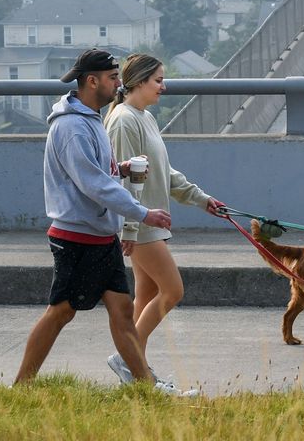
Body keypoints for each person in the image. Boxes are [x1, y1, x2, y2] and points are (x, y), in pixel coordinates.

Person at [14, 48, 190, 396]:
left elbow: (99, 174)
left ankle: (146, 388)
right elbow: (93, 184)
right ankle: (20, 386)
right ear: (91, 81)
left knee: (124, 315)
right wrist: (141, 213)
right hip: (77, 237)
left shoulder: (91, 119)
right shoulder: (72, 127)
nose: (118, 83)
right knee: (61, 312)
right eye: (112, 78)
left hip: (99, 235)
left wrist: (120, 169)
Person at [103, 53, 223, 385]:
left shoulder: (145, 117)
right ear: (138, 81)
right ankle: (129, 359)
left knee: (147, 294)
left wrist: (201, 199)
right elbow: (123, 179)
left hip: (149, 222)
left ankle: (135, 367)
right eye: (158, 80)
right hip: (140, 224)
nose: (163, 87)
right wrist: (129, 226)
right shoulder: (124, 120)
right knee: (172, 291)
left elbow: (163, 172)